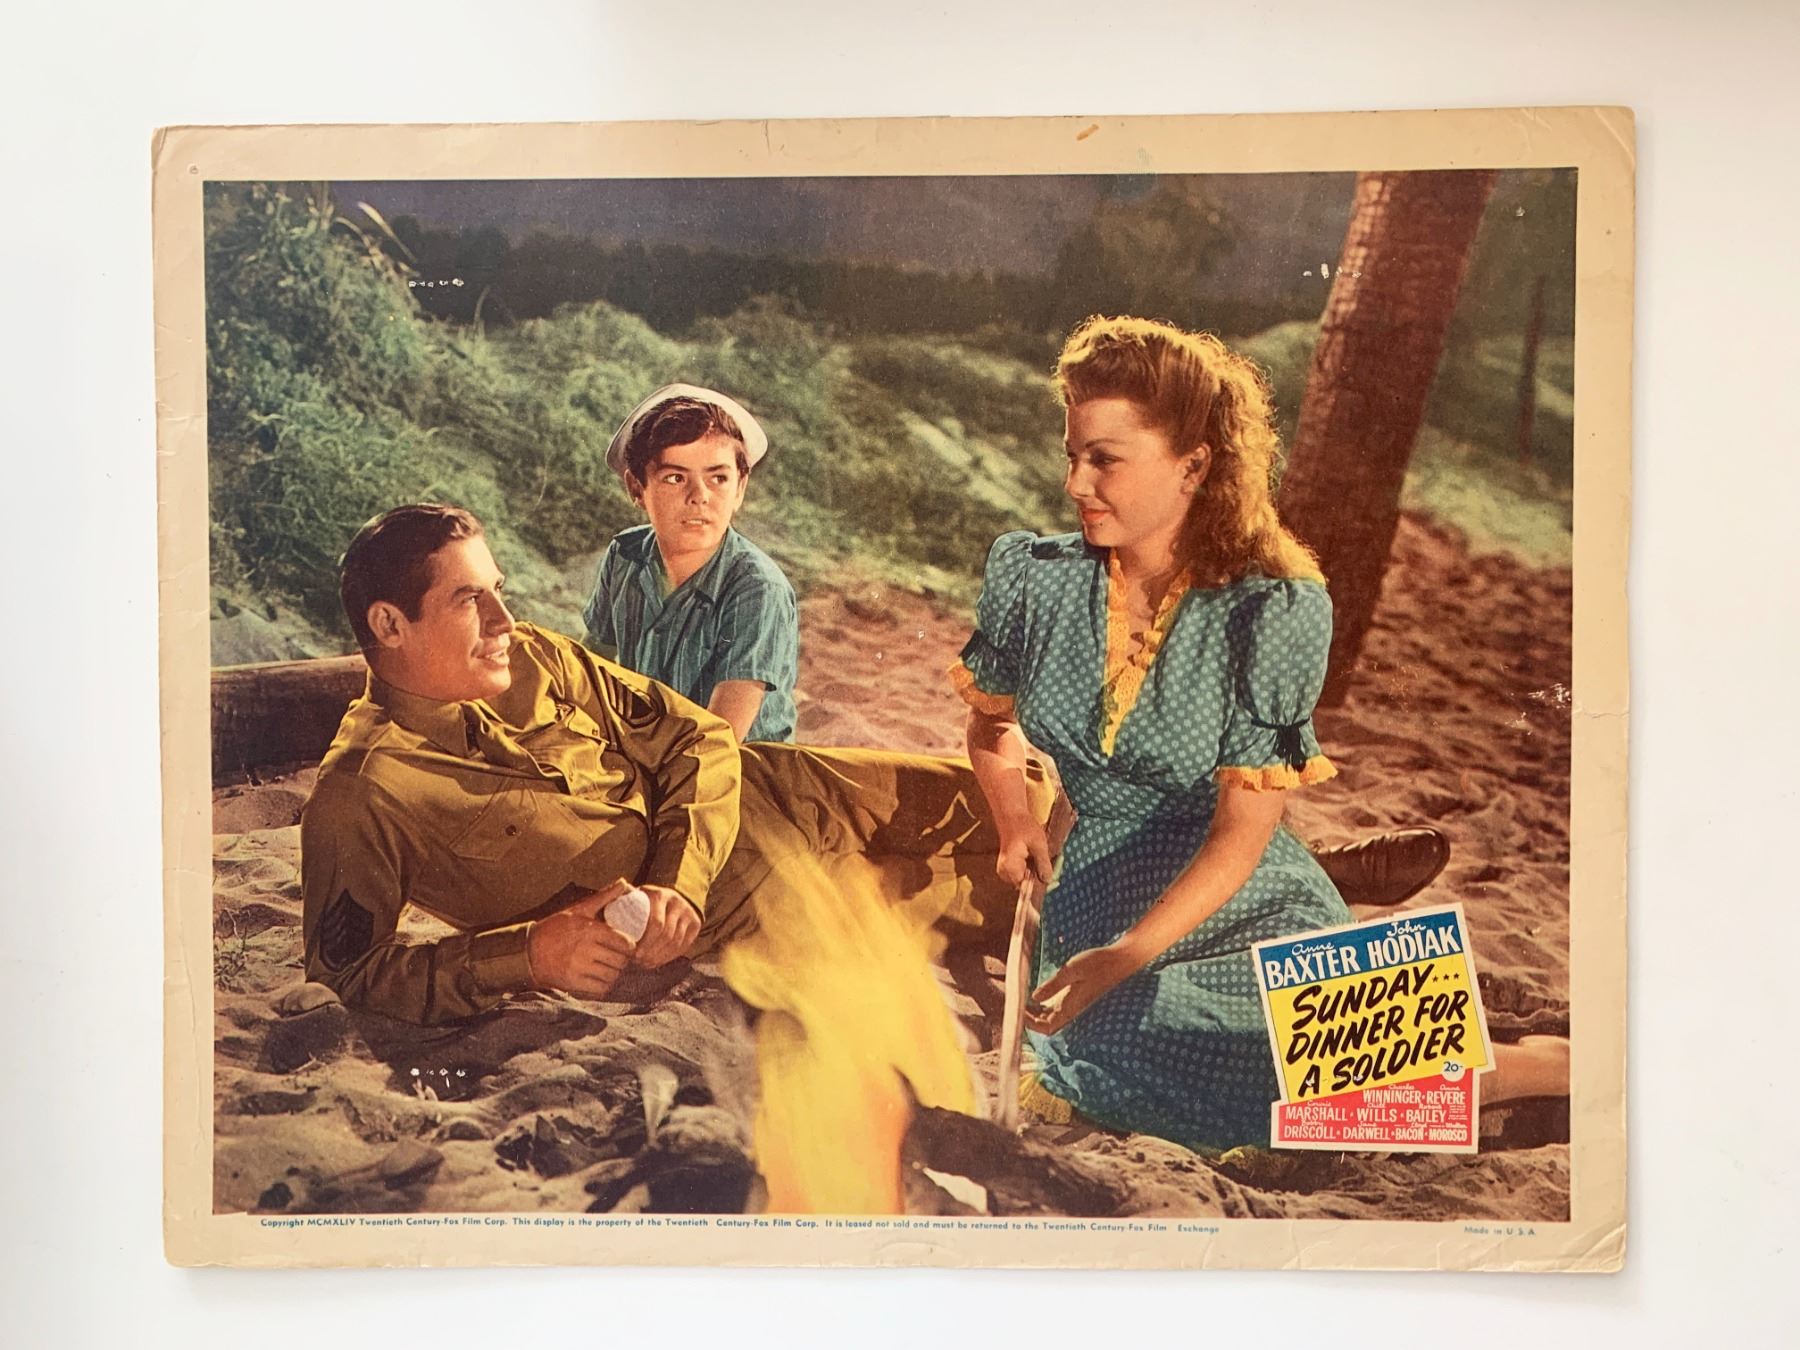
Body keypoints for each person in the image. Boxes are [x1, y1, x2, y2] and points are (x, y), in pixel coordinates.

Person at [953, 316, 1563, 1151]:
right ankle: (1426, 1028)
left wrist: (1127, 954)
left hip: (1235, 886)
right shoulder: (1036, 579)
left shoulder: (1268, 609)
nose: (1075, 484)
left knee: (1271, 1059)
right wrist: (1015, 819)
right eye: (1073, 456)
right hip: (1094, 882)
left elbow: (1243, 831)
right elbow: (991, 728)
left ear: (1194, 466)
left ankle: (1530, 1066)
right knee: (1118, 1043)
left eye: (1105, 460)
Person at [301, 503, 1051, 1028]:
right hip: (768, 898)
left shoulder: (532, 657)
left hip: (781, 788)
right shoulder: (363, 794)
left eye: (499, 591)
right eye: (470, 600)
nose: (503, 621)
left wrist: (675, 880)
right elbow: (350, 973)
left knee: (1046, 799)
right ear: (389, 624)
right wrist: (525, 956)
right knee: (1047, 889)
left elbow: (699, 737)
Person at [583, 385, 798, 742]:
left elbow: (720, 741)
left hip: (735, 766)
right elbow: (587, 670)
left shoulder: (757, 588)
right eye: (675, 478)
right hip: (645, 752)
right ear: (636, 487)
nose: (699, 496)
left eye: (718, 478)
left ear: (740, 488)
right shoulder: (625, 555)